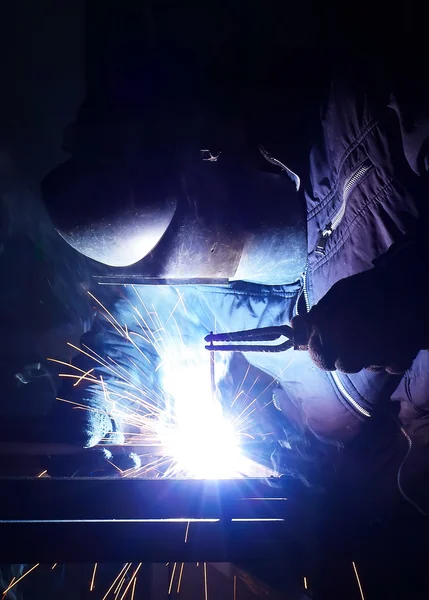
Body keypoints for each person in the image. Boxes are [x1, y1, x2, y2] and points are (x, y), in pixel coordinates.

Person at [40, 39, 429, 516]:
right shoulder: (194, 269)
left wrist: (411, 295)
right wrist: (99, 391)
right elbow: (148, 323)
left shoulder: (373, 109)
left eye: (192, 243)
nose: (198, 271)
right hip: (319, 441)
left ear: (211, 149)